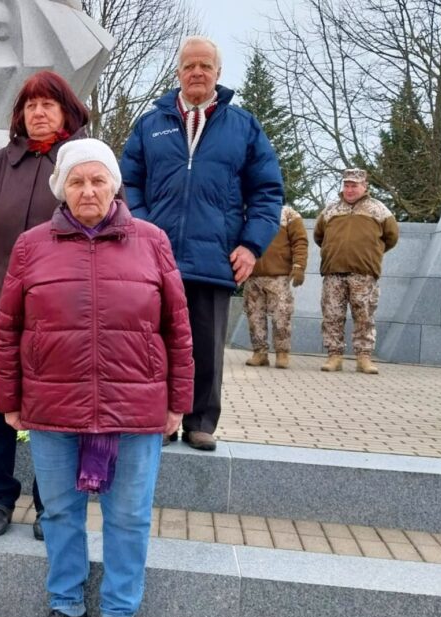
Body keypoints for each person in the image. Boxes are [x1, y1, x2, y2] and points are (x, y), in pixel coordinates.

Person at [0, 138, 193, 617]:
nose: (88, 190)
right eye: (77, 181)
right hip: (55, 406)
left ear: (114, 186)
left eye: (97, 180)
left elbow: (178, 329)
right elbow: (7, 327)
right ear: (61, 187)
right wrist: (9, 397)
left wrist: (179, 402)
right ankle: (68, 607)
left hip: (135, 410)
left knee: (128, 518)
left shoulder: (152, 241)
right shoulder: (32, 245)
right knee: (60, 513)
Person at [120, 35, 283, 451]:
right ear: (178, 72)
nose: (197, 72)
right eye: (189, 65)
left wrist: (251, 246)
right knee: (153, 343)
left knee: (206, 346)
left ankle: (200, 421)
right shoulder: (150, 124)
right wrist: (142, 229)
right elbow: (127, 184)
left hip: (214, 258)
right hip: (155, 259)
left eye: (205, 66)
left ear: (218, 74)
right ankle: (158, 418)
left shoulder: (243, 126)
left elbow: (266, 192)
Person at [0, 70, 89, 540]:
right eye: (30, 105)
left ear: (66, 111)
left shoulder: (83, 166)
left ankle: (51, 503)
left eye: (48, 104)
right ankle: (0, 497)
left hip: (64, 313)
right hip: (2, 309)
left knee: (54, 407)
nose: (38, 112)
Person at [314, 169, 399, 374]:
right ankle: (334, 356)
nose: (350, 189)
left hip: (364, 274)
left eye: (354, 185)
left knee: (364, 316)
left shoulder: (378, 209)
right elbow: (319, 236)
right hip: (333, 272)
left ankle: (364, 358)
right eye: (347, 185)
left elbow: (391, 237)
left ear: (364, 186)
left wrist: (371, 253)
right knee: (332, 315)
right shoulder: (330, 209)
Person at [243, 205, 308, 368]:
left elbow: (300, 241)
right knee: (254, 316)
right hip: (252, 274)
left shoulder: (289, 213)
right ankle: (259, 353)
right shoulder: (248, 211)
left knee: (282, 315)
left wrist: (299, 266)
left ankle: (282, 353)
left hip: (278, 276)